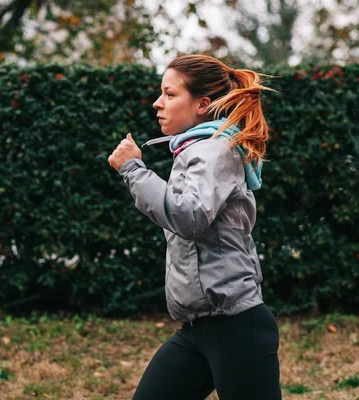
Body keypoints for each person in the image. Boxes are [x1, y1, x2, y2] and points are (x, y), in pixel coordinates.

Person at [107, 54, 282, 400]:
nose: (158, 103)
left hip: (236, 327)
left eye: (170, 95)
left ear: (202, 104)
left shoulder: (216, 152)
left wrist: (133, 170)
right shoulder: (193, 151)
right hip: (199, 328)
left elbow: (188, 217)